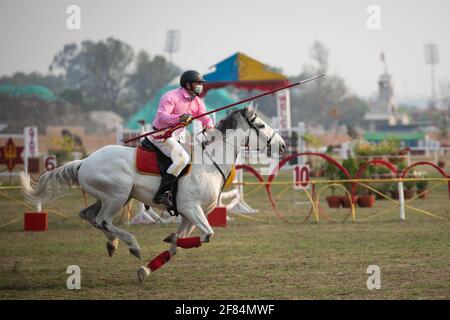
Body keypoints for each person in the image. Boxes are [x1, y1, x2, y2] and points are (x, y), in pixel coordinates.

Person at [148, 70, 214, 207]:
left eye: (201, 83)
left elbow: (204, 117)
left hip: (174, 137)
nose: (200, 86)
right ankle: (161, 194)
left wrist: (210, 127)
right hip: (161, 135)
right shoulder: (170, 96)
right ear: (188, 84)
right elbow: (161, 116)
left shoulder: (197, 101)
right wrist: (179, 118)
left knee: (195, 154)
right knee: (182, 158)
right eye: (198, 83)